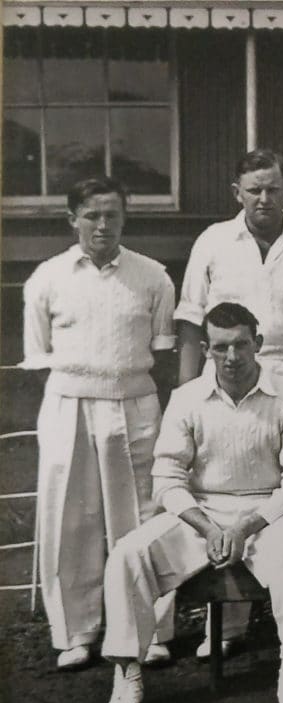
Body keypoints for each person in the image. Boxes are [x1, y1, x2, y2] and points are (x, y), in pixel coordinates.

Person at [99, 303, 283, 703]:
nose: (232, 357)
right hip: (201, 513)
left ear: (258, 344)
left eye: (241, 345)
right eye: (221, 348)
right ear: (205, 349)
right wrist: (209, 527)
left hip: (266, 512)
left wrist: (245, 527)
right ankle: (127, 673)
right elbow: (166, 479)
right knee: (128, 553)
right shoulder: (186, 399)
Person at [175, 149, 283, 656]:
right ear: (238, 193)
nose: (264, 198)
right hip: (228, 379)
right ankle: (227, 624)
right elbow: (189, 323)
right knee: (230, 490)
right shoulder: (212, 242)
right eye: (254, 189)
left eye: (272, 188)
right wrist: (187, 392)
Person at [22, 176, 175, 670]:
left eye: (111, 215)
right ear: (73, 220)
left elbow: (163, 354)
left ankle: (149, 629)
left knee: (143, 517)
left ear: (125, 218)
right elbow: (38, 357)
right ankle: (76, 632)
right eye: (92, 215)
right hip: (69, 407)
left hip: (134, 403)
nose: (102, 225)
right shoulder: (46, 278)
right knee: (72, 520)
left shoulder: (153, 277)